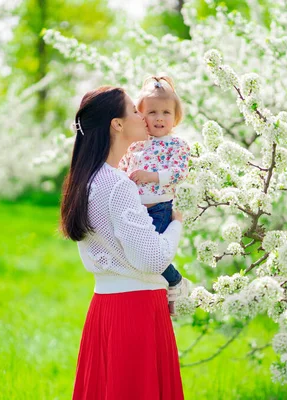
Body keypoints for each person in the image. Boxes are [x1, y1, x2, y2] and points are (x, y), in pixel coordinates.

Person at [60, 85, 187, 399]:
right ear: (117, 124)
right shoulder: (118, 185)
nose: (143, 116)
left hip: (105, 307)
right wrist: (177, 225)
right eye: (134, 110)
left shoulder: (88, 179)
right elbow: (151, 259)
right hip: (136, 311)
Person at [118, 76, 191, 315]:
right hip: (135, 207)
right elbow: (122, 168)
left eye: (166, 112)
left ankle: (175, 281)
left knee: (152, 254)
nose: (159, 118)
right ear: (141, 116)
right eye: (152, 112)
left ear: (175, 117)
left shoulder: (176, 145)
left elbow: (180, 173)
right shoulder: (136, 145)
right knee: (135, 251)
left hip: (159, 207)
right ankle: (158, 287)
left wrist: (152, 176)